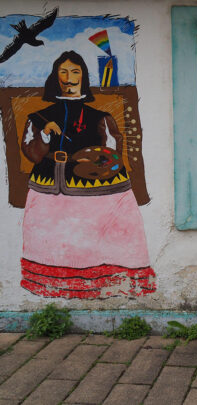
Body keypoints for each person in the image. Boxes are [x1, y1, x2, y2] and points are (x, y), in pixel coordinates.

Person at [20, 50, 156, 299]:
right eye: (63, 71)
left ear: (83, 77)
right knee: (52, 245)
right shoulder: (38, 118)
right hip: (48, 189)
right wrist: (46, 134)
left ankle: (107, 284)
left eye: (75, 71)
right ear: (55, 77)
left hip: (97, 194)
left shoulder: (100, 117)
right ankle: (55, 285)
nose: (69, 77)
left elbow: (114, 153)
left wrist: (95, 162)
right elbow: (31, 152)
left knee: (102, 243)